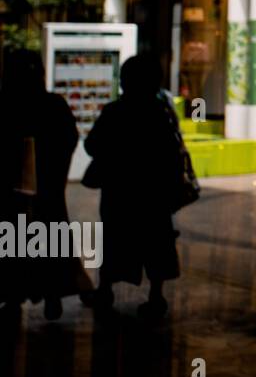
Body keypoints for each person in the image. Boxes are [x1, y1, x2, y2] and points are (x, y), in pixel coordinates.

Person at [84, 54, 182, 320]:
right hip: (153, 193)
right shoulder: (162, 113)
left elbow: (92, 145)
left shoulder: (115, 111)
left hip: (119, 191)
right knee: (156, 242)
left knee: (114, 238)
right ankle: (156, 295)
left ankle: (105, 290)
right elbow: (173, 153)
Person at [0, 49, 82, 322]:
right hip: (49, 189)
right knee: (51, 240)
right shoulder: (53, 105)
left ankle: (13, 298)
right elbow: (69, 138)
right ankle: (52, 296)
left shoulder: (6, 104)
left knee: (12, 242)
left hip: (12, 191)